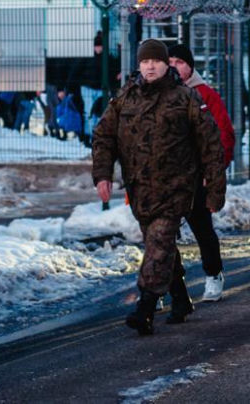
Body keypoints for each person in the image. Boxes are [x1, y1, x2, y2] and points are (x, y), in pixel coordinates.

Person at [92, 39, 226, 336]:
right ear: (138, 65)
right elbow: (103, 136)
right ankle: (180, 298)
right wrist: (102, 174)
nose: (150, 66)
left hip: (176, 189)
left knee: (160, 241)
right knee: (161, 247)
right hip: (140, 189)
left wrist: (215, 189)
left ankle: (146, 307)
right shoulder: (126, 98)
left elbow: (211, 144)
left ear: (166, 64)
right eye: (144, 61)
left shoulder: (185, 98)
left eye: (156, 61)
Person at [168, 44, 235, 303]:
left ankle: (213, 273)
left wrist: (215, 170)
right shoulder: (161, 96)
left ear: (190, 66)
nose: (174, 66)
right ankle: (165, 285)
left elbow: (224, 135)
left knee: (202, 229)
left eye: (179, 61)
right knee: (163, 235)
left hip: (197, 176)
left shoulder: (205, 94)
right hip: (171, 177)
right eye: (170, 61)